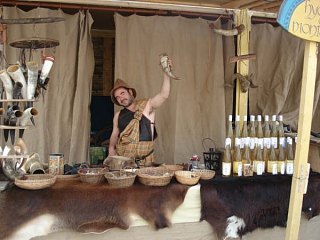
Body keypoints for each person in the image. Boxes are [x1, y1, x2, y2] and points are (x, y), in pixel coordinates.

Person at [107, 59, 173, 167]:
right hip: (123, 164)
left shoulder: (146, 106)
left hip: (144, 164)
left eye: (122, 93)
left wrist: (166, 73)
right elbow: (114, 135)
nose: (121, 98)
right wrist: (111, 148)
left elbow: (163, 95)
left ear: (130, 92)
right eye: (117, 97)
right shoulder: (117, 116)